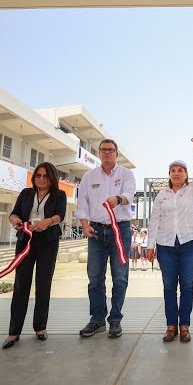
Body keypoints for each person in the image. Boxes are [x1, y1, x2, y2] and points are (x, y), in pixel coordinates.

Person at [147, 135, 193, 342]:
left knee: (187, 286)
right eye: (173, 170)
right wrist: (149, 245)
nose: (176, 173)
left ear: (186, 174)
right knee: (169, 286)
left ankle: (185, 326)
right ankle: (171, 326)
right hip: (165, 246)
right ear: (169, 175)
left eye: (180, 170)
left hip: (190, 243)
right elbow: (154, 221)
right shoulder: (161, 195)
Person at [2, 162, 67, 349]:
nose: (41, 179)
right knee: (21, 284)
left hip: (48, 241)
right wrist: (15, 220)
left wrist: (48, 221)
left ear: (52, 178)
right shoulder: (25, 193)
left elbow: (60, 216)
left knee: (43, 283)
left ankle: (40, 327)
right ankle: (14, 331)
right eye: (38, 175)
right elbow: (14, 213)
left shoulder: (59, 195)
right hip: (26, 241)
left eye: (45, 176)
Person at [76, 139, 136, 339]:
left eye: (111, 150)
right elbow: (82, 203)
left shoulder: (126, 174)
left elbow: (129, 194)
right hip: (95, 231)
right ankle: (97, 319)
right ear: (99, 153)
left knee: (120, 277)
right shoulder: (89, 176)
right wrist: (84, 224)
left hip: (120, 231)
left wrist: (118, 199)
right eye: (103, 150)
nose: (107, 153)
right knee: (94, 278)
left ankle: (115, 319)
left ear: (116, 154)